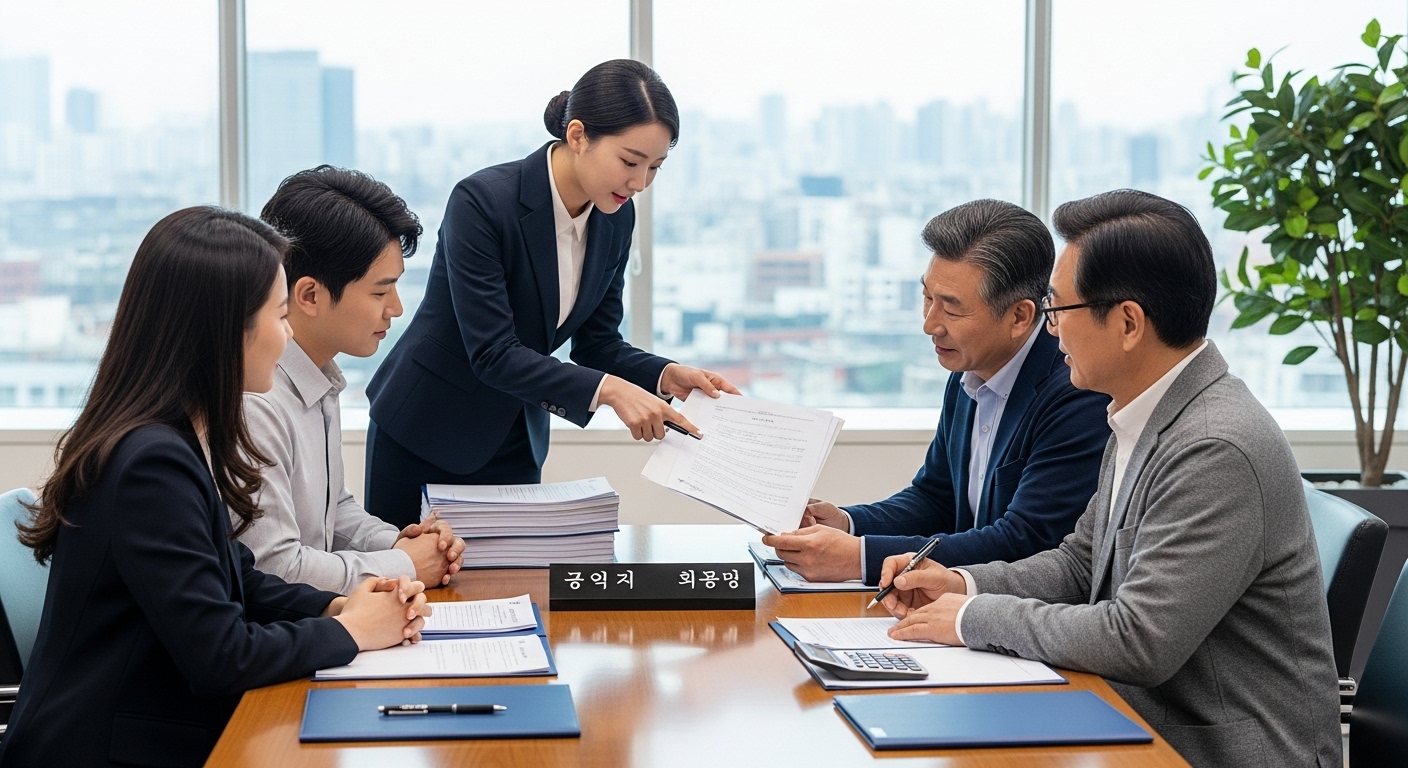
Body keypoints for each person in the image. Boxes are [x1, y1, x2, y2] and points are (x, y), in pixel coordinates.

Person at [876, 190, 1340, 768]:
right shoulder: (1140, 413)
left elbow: (1139, 639)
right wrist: (962, 585)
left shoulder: (1214, 447)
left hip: (1217, 748)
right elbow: (1077, 563)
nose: (1050, 332)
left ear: (1126, 323)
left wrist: (972, 618)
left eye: (1059, 310)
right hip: (1141, 718)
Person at [0, 207, 431, 768]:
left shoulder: (171, 438)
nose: (287, 334)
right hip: (108, 751)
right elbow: (221, 655)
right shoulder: (149, 464)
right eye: (278, 317)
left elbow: (238, 579)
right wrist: (350, 634)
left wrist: (337, 606)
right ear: (225, 332)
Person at [364, 59, 739, 527]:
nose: (639, 183)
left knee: (509, 593)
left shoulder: (616, 217)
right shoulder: (483, 202)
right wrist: (611, 392)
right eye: (629, 161)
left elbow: (598, 344)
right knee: (412, 590)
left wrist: (667, 375)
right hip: (427, 431)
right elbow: (493, 352)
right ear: (578, 135)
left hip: (516, 438)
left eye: (655, 168)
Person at [763, 200, 1110, 584]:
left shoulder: (1076, 391)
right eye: (928, 299)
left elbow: (1027, 540)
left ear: (1019, 316)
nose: (930, 325)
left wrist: (861, 559)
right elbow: (936, 499)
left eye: (951, 309)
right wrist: (847, 523)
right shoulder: (968, 370)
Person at [239, 166, 465, 595]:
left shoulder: (318, 375)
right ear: (309, 296)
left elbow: (333, 511)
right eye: (380, 292)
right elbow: (274, 567)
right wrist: (404, 564)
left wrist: (400, 542)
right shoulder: (258, 401)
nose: (396, 309)